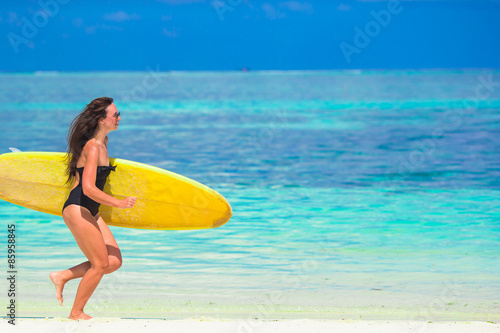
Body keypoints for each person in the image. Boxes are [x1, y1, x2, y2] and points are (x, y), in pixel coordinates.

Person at [49, 97, 136, 320]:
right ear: (101, 119)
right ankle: (76, 313)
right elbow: (87, 188)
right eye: (115, 115)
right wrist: (118, 203)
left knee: (113, 261)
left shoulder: (104, 141)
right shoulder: (92, 147)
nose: (119, 118)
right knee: (99, 264)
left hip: (91, 209)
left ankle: (62, 276)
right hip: (78, 207)